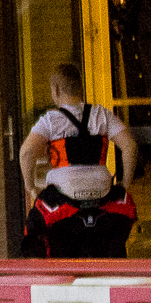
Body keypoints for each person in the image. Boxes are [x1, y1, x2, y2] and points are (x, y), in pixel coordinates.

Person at [18, 61, 140, 257]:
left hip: (65, 196)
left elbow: (26, 152)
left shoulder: (51, 119)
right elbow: (130, 146)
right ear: (80, 88)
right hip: (102, 192)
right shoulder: (101, 114)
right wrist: (125, 184)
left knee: (34, 228)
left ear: (56, 90)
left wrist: (31, 187)